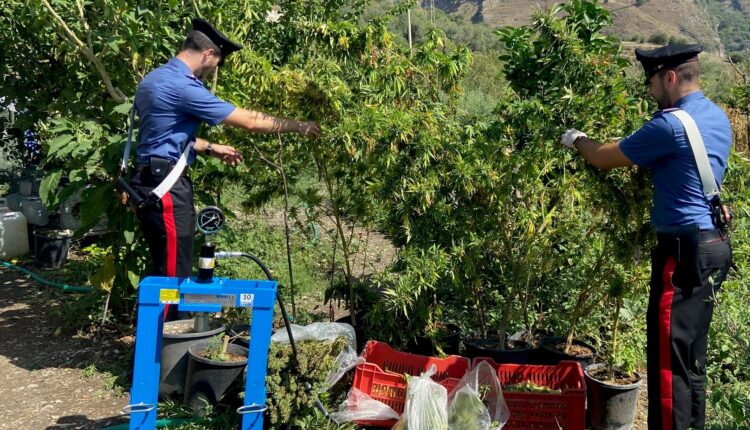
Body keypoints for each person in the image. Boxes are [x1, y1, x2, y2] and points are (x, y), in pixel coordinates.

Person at [559, 44, 733, 430]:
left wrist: (577, 140)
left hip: (682, 254)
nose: (650, 91)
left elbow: (604, 157)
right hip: (712, 245)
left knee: (669, 367)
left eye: (651, 82)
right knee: (690, 361)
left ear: (670, 77)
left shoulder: (671, 124)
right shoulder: (718, 118)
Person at [130, 18, 320, 319]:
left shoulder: (155, 78)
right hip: (165, 187)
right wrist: (300, 126)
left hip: (149, 180)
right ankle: (160, 355)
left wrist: (209, 147)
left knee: (168, 263)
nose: (212, 71)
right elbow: (250, 121)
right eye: (215, 64)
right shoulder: (185, 88)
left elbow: (163, 135)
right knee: (172, 275)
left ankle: (165, 345)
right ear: (207, 54)